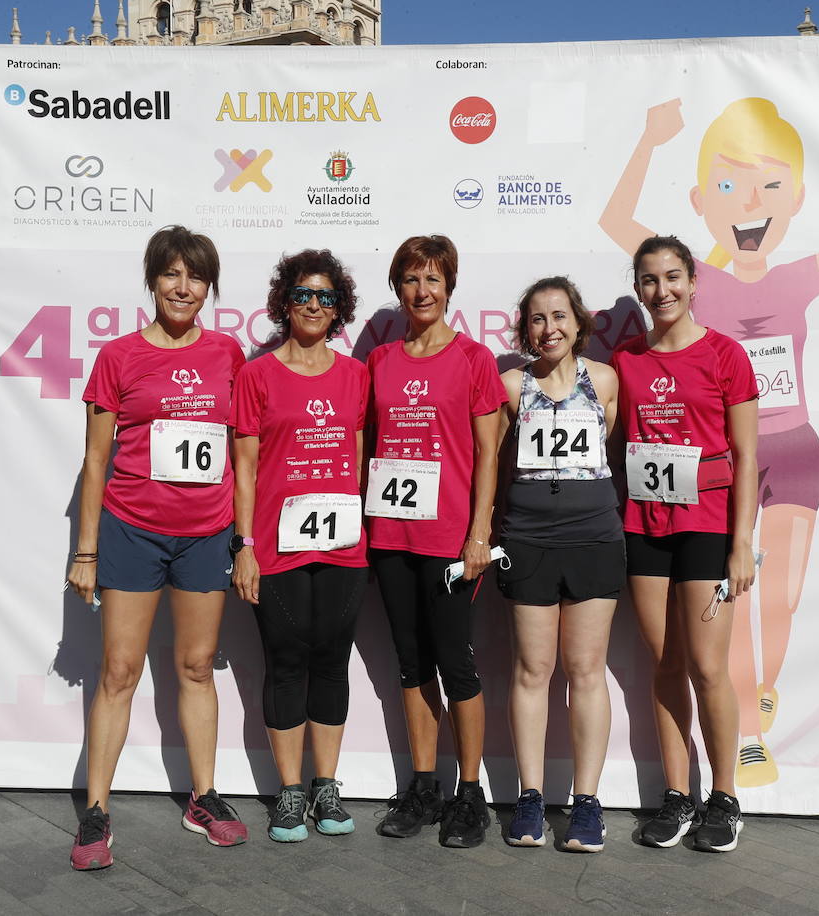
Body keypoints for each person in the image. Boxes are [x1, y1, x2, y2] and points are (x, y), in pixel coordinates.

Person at [600, 95, 819, 787]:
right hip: (676, 502)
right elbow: (617, 221)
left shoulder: (797, 278)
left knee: (783, 597)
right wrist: (649, 139)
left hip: (791, 454)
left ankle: (752, 715)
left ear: (795, 199)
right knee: (700, 648)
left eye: (770, 185)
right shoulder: (650, 337)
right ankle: (742, 744)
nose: (662, 288)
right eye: (651, 280)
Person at [65, 225, 248, 871]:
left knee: (196, 667)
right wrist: (85, 551)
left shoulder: (229, 353)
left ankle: (205, 797)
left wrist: (243, 539)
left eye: (195, 276)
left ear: (209, 287)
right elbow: (94, 459)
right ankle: (96, 812)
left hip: (204, 533)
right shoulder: (117, 356)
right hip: (132, 529)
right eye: (171, 274)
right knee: (118, 671)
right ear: (152, 280)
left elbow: (243, 451)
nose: (183, 286)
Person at [611, 236, 758, 853]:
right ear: (638, 288)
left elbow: (749, 455)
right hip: (644, 527)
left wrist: (741, 541)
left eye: (673, 277)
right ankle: (677, 794)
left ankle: (724, 796)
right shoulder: (624, 360)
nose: (661, 291)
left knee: (707, 666)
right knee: (665, 663)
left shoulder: (726, 355)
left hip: (705, 526)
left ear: (694, 282)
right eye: (649, 280)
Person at [366, 234, 506, 848]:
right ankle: (423, 786)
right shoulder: (380, 361)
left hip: (451, 538)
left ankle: (469, 794)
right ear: (398, 288)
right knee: (411, 661)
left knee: (457, 664)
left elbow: (487, 453)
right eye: (410, 280)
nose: (421, 291)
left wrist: (480, 532)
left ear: (450, 287)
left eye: (433, 280)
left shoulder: (474, 360)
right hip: (391, 535)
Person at [230, 250, 369, 843]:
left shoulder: (355, 375)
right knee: (285, 662)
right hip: (276, 548)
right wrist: (244, 545)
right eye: (304, 295)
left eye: (326, 297)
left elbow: (358, 460)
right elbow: (244, 468)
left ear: (340, 309)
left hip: (342, 547)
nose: (315, 305)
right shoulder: (256, 374)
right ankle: (290, 792)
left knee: (332, 662)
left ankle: (325, 785)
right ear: (285, 302)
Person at [495, 277, 622, 853]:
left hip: (593, 538)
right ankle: (529, 797)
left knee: (586, 668)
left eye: (560, 316)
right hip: (526, 540)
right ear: (526, 328)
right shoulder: (510, 387)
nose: (550, 329)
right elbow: (493, 463)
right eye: (539, 319)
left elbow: (606, 446)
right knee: (532, 668)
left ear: (578, 321)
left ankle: (587, 803)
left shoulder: (605, 381)